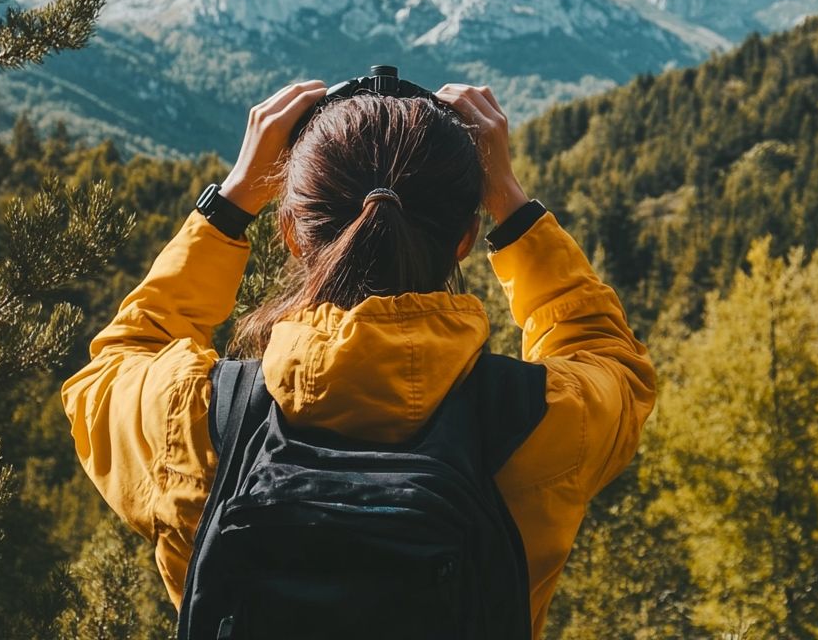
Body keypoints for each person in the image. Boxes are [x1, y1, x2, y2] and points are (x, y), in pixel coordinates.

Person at [62, 78, 657, 639]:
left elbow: (118, 360)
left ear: (292, 234)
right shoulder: (536, 421)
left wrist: (233, 201)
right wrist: (512, 203)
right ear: (465, 240)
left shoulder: (193, 420)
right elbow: (608, 358)